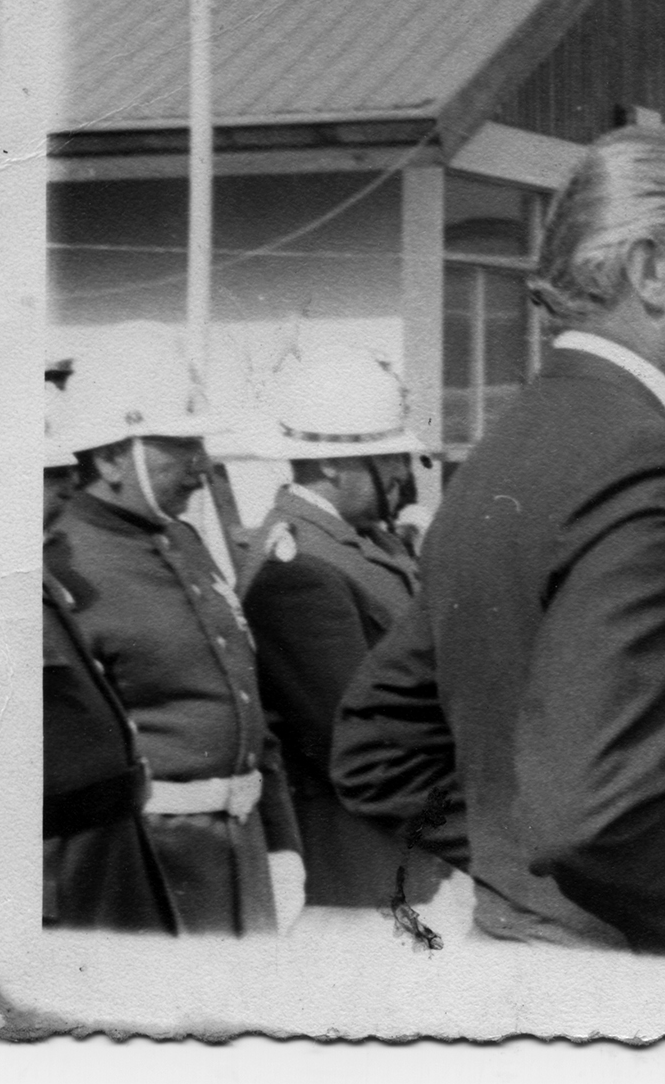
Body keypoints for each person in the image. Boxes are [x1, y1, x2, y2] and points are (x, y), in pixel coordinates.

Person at [332, 124, 665, 958]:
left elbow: (376, 746)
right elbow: (596, 812)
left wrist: (523, 871)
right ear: (650, 272)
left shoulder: (511, 442)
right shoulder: (638, 456)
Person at [52, 343, 303, 936]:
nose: (203, 466)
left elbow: (246, 705)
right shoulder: (63, 569)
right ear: (114, 457)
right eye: (184, 445)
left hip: (241, 853)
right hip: (146, 869)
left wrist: (282, 843)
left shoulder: (185, 541)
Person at [239, 349, 451, 914]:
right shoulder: (301, 568)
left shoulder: (360, 541)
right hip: (360, 857)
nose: (404, 473)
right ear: (332, 464)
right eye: (387, 459)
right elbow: (354, 732)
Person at [41, 368, 178, 935]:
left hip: (100, 857)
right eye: (48, 472)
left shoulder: (35, 578)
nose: (70, 484)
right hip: (54, 870)